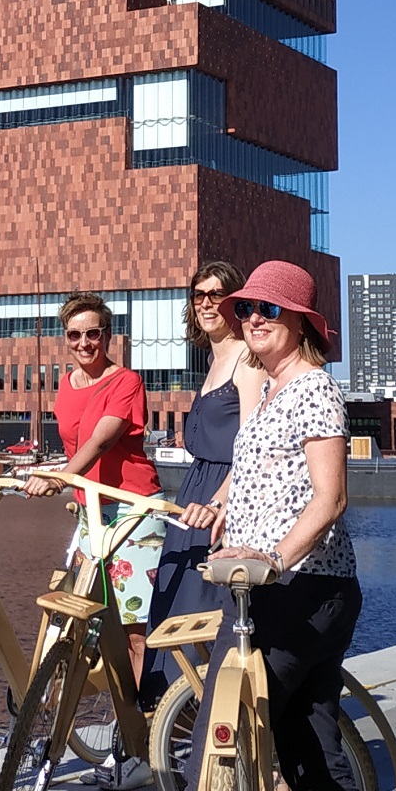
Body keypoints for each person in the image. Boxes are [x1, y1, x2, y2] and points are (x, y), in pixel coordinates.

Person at [100, 260, 388, 791]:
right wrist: (226, 511)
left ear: (301, 323)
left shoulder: (314, 389)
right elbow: (255, 476)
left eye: (270, 309)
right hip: (285, 590)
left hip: (293, 595)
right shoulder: (274, 390)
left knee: (211, 741)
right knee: (316, 764)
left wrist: (272, 561)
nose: (254, 317)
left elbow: (330, 498)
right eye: (248, 307)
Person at [23, 291, 165, 790]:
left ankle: (137, 750)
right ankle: (91, 731)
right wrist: (66, 484)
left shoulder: (124, 381)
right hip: (92, 515)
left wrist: (61, 476)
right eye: (75, 334)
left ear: (109, 336)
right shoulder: (65, 384)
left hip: (132, 512)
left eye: (94, 333)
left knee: (131, 629)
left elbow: (102, 440)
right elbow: (73, 447)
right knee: (79, 620)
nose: (85, 342)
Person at [139, 260, 261, 710]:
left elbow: (251, 447)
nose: (206, 303)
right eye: (198, 295)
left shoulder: (248, 360)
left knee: (203, 622)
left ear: (234, 301)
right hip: (190, 504)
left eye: (216, 295)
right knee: (172, 613)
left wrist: (218, 504)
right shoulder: (212, 362)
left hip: (217, 509)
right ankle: (169, 736)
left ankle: (203, 733)